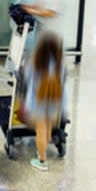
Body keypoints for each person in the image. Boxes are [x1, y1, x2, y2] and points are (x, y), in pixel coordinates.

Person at [24, 32, 65, 172]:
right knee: (47, 128)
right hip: (54, 101)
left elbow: (28, 80)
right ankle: (43, 152)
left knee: (40, 131)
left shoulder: (38, 64)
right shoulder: (59, 64)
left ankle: (42, 160)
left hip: (40, 101)